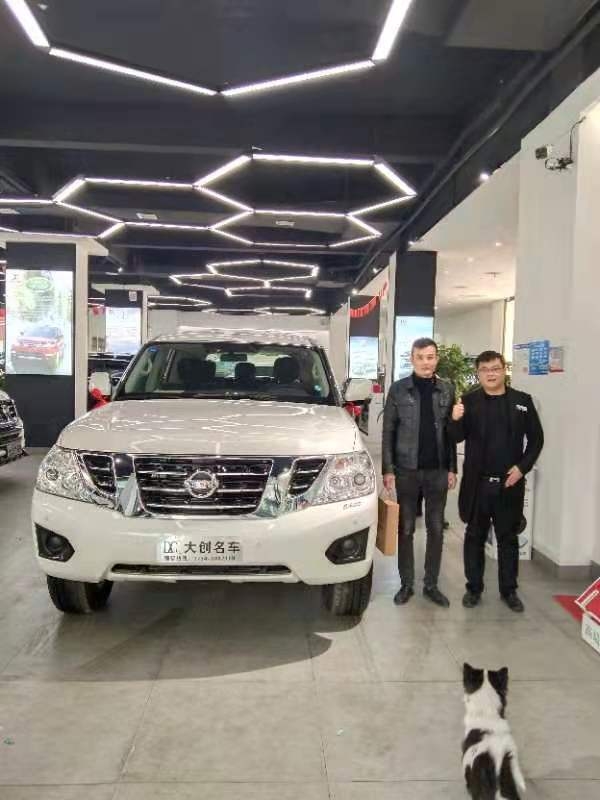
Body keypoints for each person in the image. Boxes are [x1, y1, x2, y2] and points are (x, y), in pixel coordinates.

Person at [449, 351, 544, 613]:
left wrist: (522, 468)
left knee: (507, 538)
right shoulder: (468, 401)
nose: (490, 374)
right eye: (484, 369)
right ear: (478, 373)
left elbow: (537, 440)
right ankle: (473, 588)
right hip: (477, 484)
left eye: (495, 368)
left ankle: (509, 590)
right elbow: (455, 437)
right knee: (474, 537)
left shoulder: (522, 401)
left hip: (509, 484)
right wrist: (454, 419)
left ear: (504, 370)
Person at [382, 338, 457, 607]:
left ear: (436, 359)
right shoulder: (399, 390)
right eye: (421, 357)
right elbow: (388, 431)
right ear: (412, 359)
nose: (426, 362)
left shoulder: (447, 389)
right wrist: (388, 469)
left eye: (430, 357)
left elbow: (450, 433)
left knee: (436, 529)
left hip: (437, 471)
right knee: (406, 528)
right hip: (406, 470)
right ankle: (406, 584)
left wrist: (452, 468)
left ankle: (431, 585)